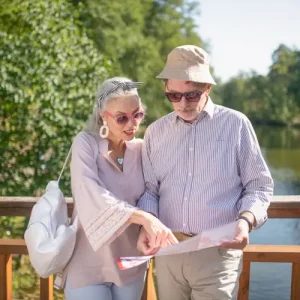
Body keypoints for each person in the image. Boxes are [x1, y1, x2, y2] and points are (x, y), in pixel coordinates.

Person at [137, 45, 274, 300]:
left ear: (207, 88)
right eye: (174, 96)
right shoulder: (155, 132)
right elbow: (150, 190)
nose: (183, 103)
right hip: (169, 250)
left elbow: (259, 185)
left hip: (218, 251)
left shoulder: (236, 125)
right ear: (166, 90)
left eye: (192, 95)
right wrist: (148, 223)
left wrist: (245, 221)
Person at [60, 77, 177, 300]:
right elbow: (89, 192)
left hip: (130, 261)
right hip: (87, 263)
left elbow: (154, 192)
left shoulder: (142, 149)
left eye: (138, 115)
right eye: (122, 118)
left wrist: (148, 221)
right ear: (104, 116)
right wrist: (143, 218)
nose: (132, 124)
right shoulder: (85, 144)